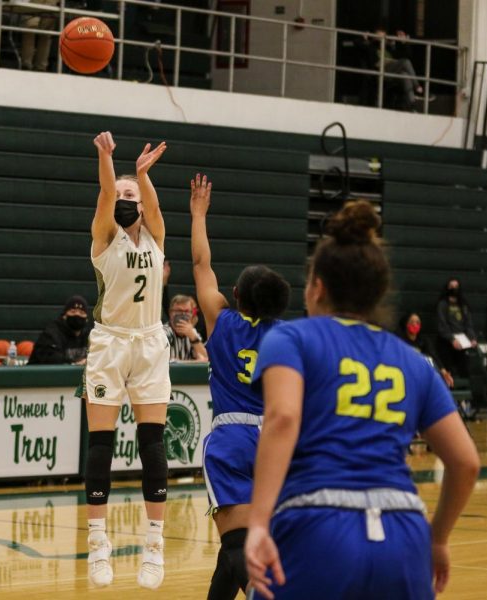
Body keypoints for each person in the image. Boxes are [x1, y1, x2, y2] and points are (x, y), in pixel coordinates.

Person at [244, 201, 480, 600]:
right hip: (404, 531)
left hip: (318, 522)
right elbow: (466, 462)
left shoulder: (291, 338)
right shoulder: (414, 362)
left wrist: (259, 524)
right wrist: (436, 540)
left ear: (317, 286)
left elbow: (282, 417)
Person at [189, 174, 291, 600]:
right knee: (236, 545)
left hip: (231, 438)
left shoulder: (222, 321)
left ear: (235, 296)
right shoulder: (288, 337)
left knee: (236, 546)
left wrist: (198, 214)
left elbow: (200, 265)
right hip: (272, 441)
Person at [83, 131, 170, 590]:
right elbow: (103, 194)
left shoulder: (155, 236)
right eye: (119, 194)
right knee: (101, 444)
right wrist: (107, 160)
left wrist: (140, 174)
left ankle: (154, 546)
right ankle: (99, 542)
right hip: (110, 343)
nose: (123, 198)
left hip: (150, 342)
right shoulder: (104, 236)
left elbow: (152, 206)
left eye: (130, 194)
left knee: (152, 444)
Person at [28, 295, 92, 365]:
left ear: (86, 319)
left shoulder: (90, 335)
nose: (77, 314)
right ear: (64, 316)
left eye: (81, 313)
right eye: (73, 311)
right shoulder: (51, 334)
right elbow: (50, 359)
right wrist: (74, 364)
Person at [398, 312, 454, 388]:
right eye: (412, 322)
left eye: (417, 322)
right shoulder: (400, 341)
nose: (415, 325)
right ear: (406, 324)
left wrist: (444, 373)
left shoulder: (424, 340)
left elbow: (433, 356)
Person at [436, 277, 478, 377]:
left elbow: (469, 324)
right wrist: (452, 339)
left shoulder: (463, 305)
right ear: (447, 288)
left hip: (462, 341)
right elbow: (442, 325)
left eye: (456, 286)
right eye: (451, 286)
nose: (454, 289)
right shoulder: (442, 304)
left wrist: (472, 338)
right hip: (447, 342)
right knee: (448, 370)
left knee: (465, 370)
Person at [163, 294, 209, 362]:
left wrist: (193, 337)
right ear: (170, 313)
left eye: (187, 311)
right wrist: (194, 363)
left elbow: (205, 359)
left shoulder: (192, 332)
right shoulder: (164, 332)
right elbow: (166, 362)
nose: (183, 315)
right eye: (179, 311)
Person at [19, 0, 59, 71]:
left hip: (50, 3)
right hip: (32, 3)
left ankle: (41, 67)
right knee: (30, 28)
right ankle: (26, 65)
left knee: (46, 34)